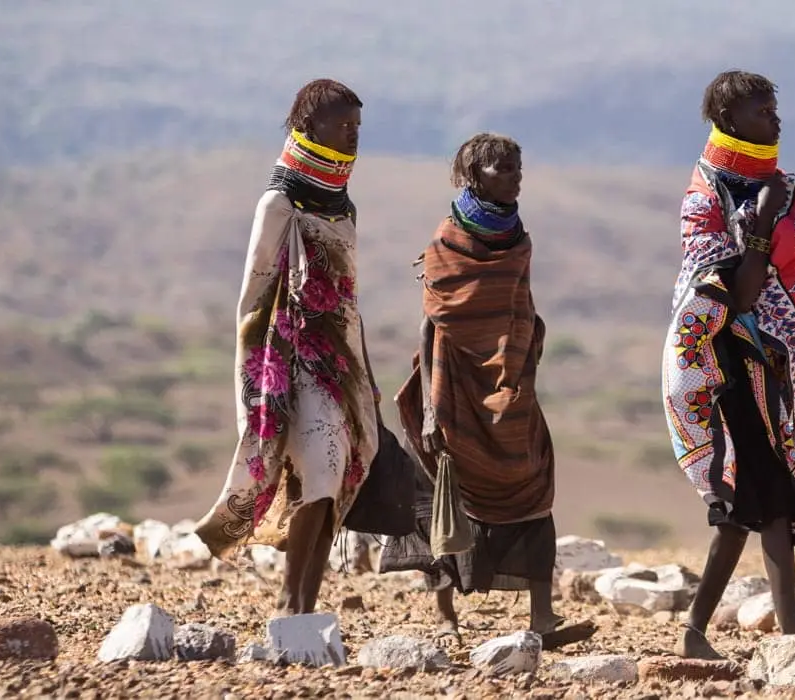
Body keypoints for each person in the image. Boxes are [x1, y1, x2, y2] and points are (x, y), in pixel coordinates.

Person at [664, 70, 795, 659]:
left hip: (769, 373)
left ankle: (776, 632)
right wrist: (765, 227)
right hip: (722, 370)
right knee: (744, 501)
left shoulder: (788, 189)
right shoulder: (704, 198)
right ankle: (710, 632)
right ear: (728, 120)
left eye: (775, 108)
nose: (776, 120)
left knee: (768, 495)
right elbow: (737, 296)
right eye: (762, 111)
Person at [394, 133, 594, 650]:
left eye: (518, 166)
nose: (515, 175)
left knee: (533, 478)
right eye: (504, 168)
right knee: (449, 485)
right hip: (456, 379)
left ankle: (543, 618)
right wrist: (432, 408)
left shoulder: (517, 238)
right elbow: (431, 322)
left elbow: (519, 299)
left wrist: (529, 339)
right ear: (474, 175)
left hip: (511, 379)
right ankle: (444, 615)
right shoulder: (446, 242)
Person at [194, 79, 380, 615]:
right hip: (286, 362)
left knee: (334, 476)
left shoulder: (344, 207)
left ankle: (302, 601)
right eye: (342, 128)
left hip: (338, 365)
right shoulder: (278, 202)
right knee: (317, 470)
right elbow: (253, 297)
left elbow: (346, 296)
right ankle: (290, 603)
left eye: (357, 129)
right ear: (308, 128)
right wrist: (259, 380)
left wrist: (362, 368)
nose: (352, 138)